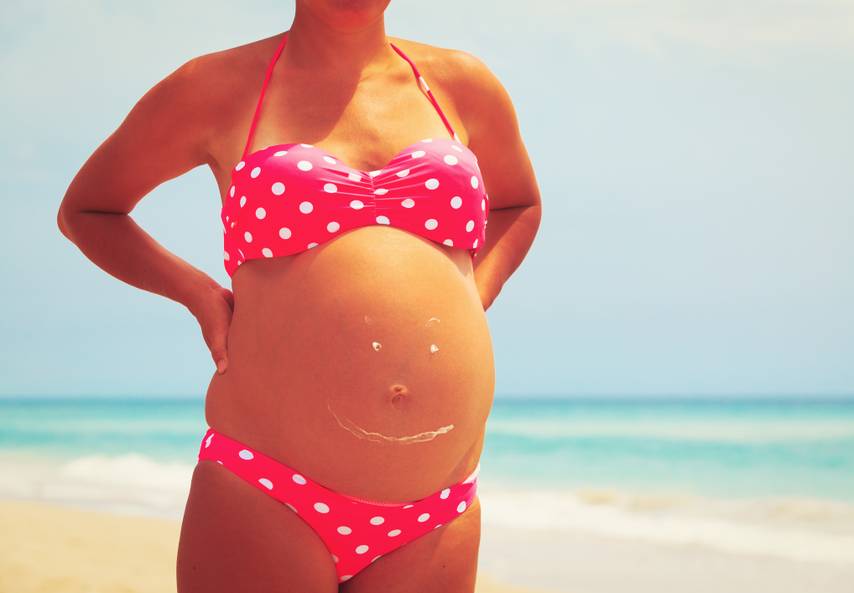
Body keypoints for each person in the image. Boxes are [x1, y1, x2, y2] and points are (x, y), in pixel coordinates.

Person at [57, 1, 541, 591]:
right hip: (267, 490)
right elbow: (90, 210)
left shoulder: (460, 84)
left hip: (437, 508)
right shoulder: (216, 86)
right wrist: (199, 294)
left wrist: (470, 294)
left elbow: (518, 203)